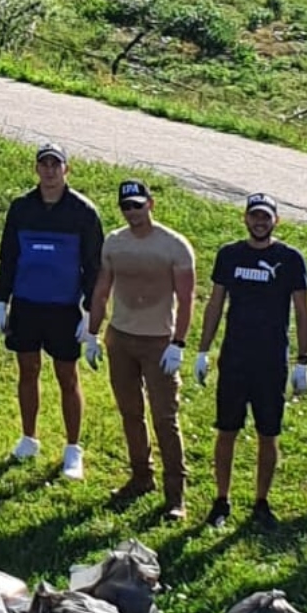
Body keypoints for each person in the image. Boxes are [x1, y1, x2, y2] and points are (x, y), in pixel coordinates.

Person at [192, 193, 307, 530]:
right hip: (234, 357)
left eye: (266, 217)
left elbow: (303, 312)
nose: (260, 222)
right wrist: (202, 350)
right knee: (226, 430)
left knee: (267, 433)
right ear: (245, 219)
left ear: (276, 220)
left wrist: (304, 360)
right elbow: (215, 304)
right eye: (254, 216)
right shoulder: (230, 255)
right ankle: (221, 499)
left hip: (271, 360)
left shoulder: (289, 259)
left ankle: (261, 501)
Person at [0, 144, 103, 480]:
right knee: (27, 371)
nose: (50, 171)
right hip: (27, 304)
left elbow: (94, 267)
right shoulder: (22, 208)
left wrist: (90, 313)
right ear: (37, 169)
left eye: (56, 165)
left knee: (67, 377)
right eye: (44, 164)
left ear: (66, 170)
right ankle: (29, 438)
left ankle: (73, 449)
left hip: (64, 309)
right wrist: (1, 301)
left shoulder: (83, 211)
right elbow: (8, 257)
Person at [91, 180, 198, 517]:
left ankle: (175, 495)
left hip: (157, 342)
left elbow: (186, 298)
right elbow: (102, 290)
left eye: (138, 205)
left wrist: (177, 343)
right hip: (121, 337)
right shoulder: (114, 243)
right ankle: (141, 476)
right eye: (126, 206)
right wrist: (92, 333)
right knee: (130, 413)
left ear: (150, 204)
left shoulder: (174, 246)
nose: (132, 212)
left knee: (165, 418)